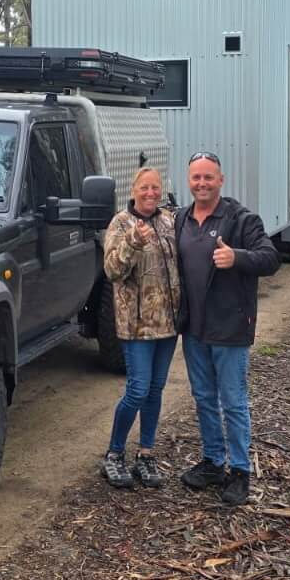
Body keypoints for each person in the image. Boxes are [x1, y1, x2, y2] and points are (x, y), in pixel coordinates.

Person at [176, 152, 281, 506]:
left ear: (221, 180)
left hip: (230, 327)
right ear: (188, 181)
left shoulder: (241, 219)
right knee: (204, 398)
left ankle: (239, 471)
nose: (202, 184)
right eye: (196, 178)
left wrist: (237, 257)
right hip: (194, 329)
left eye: (208, 177)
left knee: (233, 402)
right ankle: (212, 461)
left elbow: (270, 259)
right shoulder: (182, 220)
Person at [101, 166, 181, 489]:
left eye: (155, 187)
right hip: (137, 327)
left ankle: (145, 454)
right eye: (144, 187)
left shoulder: (169, 222)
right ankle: (114, 454)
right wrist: (133, 242)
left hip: (168, 325)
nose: (150, 193)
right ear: (133, 190)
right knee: (137, 389)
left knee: (155, 391)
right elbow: (112, 271)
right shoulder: (120, 224)